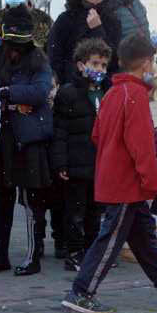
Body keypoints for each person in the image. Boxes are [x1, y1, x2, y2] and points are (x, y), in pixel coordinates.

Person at [61, 32, 157, 313]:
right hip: (126, 182)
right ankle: (81, 291)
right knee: (110, 239)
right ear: (147, 63)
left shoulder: (113, 92)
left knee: (142, 238)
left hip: (116, 177)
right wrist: (151, 181)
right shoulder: (135, 95)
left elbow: (98, 134)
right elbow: (142, 145)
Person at [0, 24, 58, 275]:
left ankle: (32, 256)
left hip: (29, 138)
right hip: (3, 136)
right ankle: (1, 255)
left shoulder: (38, 61)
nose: (15, 51)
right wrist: (13, 97)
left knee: (31, 200)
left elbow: (40, 92)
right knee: (3, 198)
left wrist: (8, 93)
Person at [52, 38, 109, 269]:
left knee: (95, 212)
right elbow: (60, 131)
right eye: (94, 64)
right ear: (81, 65)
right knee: (75, 211)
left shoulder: (106, 92)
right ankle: (73, 252)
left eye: (103, 65)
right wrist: (61, 163)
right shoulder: (68, 93)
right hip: (76, 163)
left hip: (99, 162)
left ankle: (91, 251)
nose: (99, 70)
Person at [47, 0, 120, 75]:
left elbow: (115, 60)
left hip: (103, 85)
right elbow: (54, 57)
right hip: (72, 85)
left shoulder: (112, 21)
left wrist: (98, 29)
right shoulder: (66, 19)